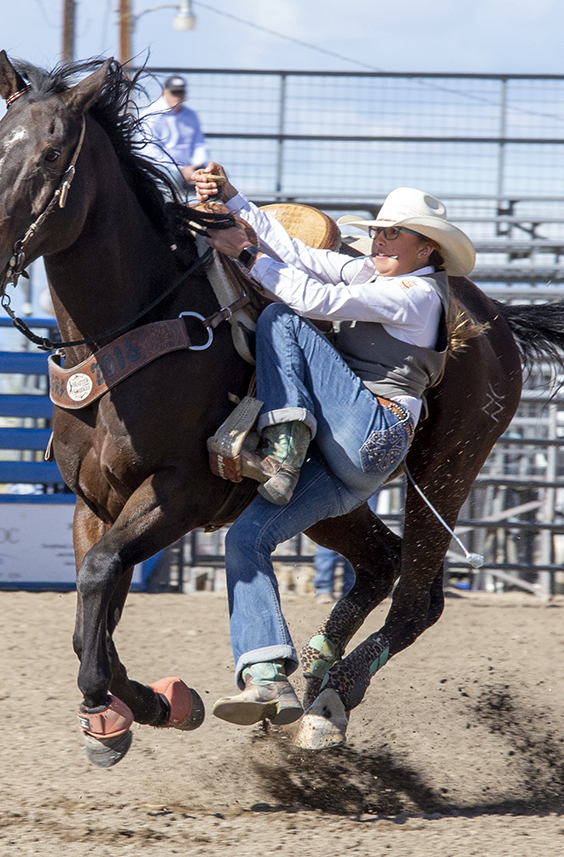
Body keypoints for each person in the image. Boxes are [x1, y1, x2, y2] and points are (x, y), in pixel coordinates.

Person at [194, 163, 475, 726]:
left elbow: (309, 297)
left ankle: (287, 443)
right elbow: (302, 256)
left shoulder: (418, 297)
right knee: (246, 539)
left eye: (391, 233)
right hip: (361, 457)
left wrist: (242, 254)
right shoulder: (388, 280)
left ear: (427, 249)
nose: (378, 239)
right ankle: (267, 677)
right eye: (376, 231)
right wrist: (236, 200)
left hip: (371, 430)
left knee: (283, 319)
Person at [141, 75, 210, 190]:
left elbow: (199, 145)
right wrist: (179, 170)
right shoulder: (150, 115)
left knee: (215, 178)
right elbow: (149, 151)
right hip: (161, 168)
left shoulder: (191, 116)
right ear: (164, 93)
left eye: (180, 93)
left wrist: (193, 167)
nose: (177, 97)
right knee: (172, 178)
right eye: (174, 93)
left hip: (188, 170)